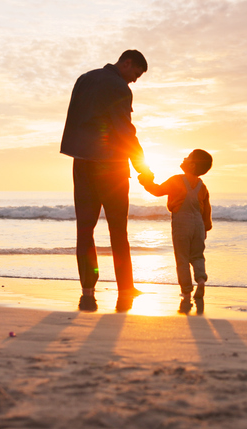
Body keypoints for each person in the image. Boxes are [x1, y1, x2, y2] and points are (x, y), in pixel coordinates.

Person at [60, 50, 152, 311]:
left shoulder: (84, 79)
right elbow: (124, 130)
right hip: (111, 165)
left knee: (85, 228)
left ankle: (88, 288)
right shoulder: (118, 87)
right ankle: (125, 287)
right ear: (127, 63)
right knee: (117, 229)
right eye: (135, 74)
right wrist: (141, 165)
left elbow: (74, 120)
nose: (134, 81)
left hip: (82, 163)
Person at [138, 149, 213, 300]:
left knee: (182, 257)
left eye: (188, 157)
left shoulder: (177, 180)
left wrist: (145, 181)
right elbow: (207, 211)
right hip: (198, 224)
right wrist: (205, 228)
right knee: (198, 256)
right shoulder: (202, 187)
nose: (184, 158)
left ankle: (186, 291)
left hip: (181, 222)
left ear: (192, 166)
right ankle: (201, 280)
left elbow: (157, 191)